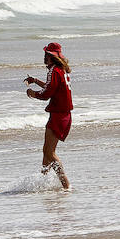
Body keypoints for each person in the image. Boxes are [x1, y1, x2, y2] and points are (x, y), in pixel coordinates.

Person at [24, 41, 72, 190]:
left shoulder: (53, 71)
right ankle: (42, 181)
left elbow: (47, 94)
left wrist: (33, 93)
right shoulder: (60, 70)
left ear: (51, 56)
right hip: (64, 115)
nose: (44, 57)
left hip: (58, 115)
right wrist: (35, 81)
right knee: (47, 151)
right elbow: (51, 87)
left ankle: (65, 184)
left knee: (49, 152)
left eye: (46, 55)